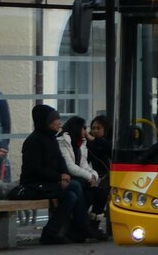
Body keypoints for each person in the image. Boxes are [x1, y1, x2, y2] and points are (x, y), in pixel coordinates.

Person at [19, 104, 102, 245]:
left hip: (48, 183)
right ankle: (81, 227)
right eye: (55, 120)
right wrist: (59, 177)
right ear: (45, 122)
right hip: (34, 185)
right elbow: (35, 169)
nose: (59, 122)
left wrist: (64, 174)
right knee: (75, 186)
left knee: (70, 196)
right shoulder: (33, 141)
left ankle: (50, 233)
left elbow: (60, 161)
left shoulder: (50, 138)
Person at [58, 116, 107, 224]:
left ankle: (91, 225)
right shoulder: (63, 141)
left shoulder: (81, 143)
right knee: (82, 186)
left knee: (98, 192)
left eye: (98, 128)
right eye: (84, 128)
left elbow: (84, 164)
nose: (87, 131)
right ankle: (81, 224)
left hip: (82, 176)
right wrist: (89, 177)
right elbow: (70, 167)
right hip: (65, 177)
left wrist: (93, 175)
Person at [87, 115, 111, 216]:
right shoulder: (89, 143)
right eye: (93, 128)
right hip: (96, 174)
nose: (95, 131)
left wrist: (94, 140)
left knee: (102, 191)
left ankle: (96, 218)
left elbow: (108, 147)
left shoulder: (107, 141)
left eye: (98, 128)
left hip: (109, 175)